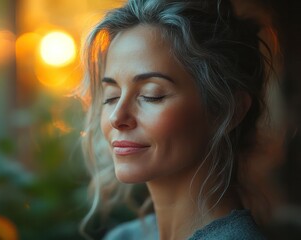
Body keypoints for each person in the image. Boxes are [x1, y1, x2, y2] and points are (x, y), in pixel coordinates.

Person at [77, 0, 277, 239]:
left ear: (229, 110)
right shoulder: (122, 237)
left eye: (152, 95)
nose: (117, 117)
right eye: (111, 96)